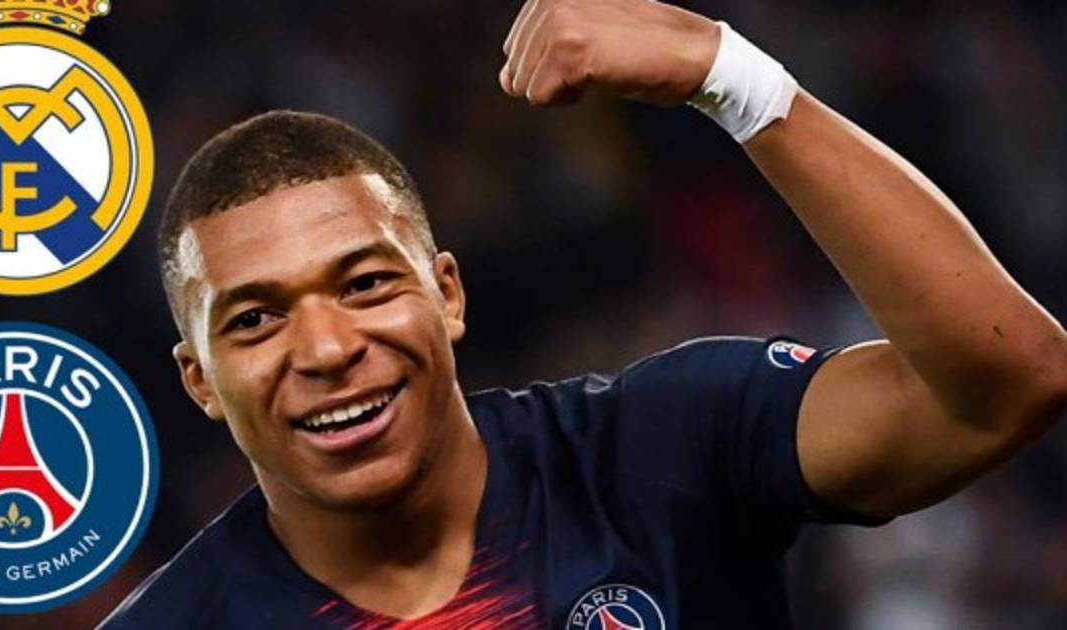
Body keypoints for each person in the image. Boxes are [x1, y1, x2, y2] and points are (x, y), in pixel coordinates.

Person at [101, 1, 1067, 628]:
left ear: (448, 293)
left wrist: (738, 80)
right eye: (255, 320)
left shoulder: (657, 449)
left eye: (364, 285)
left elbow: (1010, 383)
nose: (325, 347)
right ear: (200, 380)